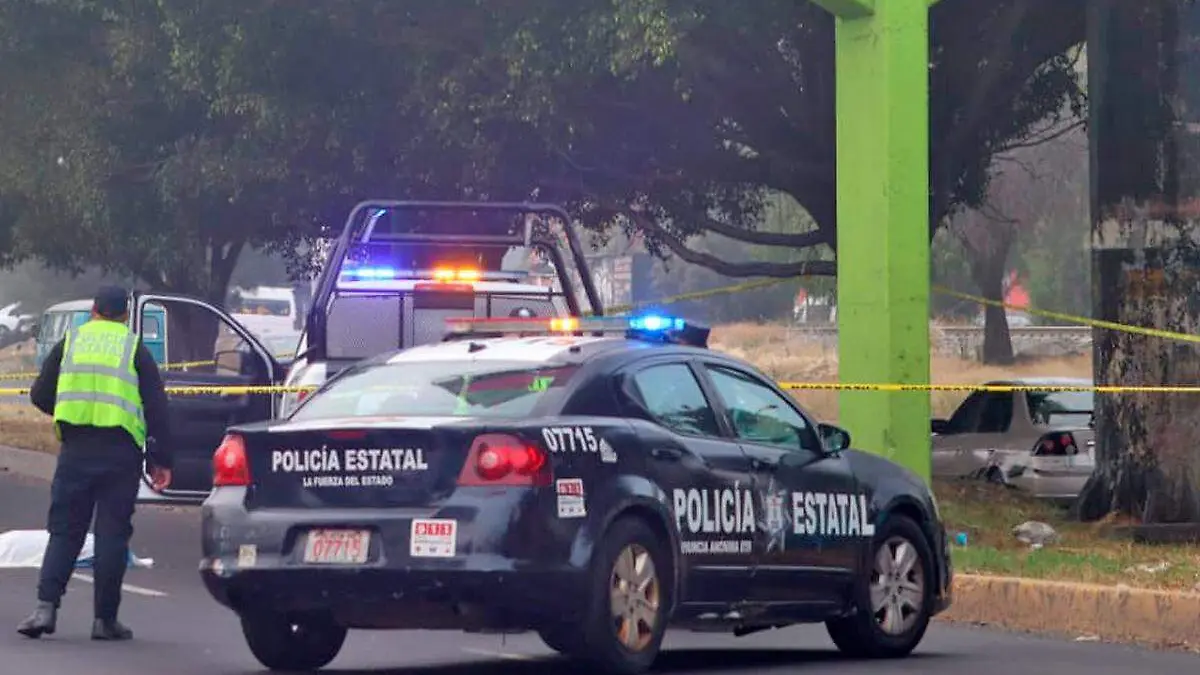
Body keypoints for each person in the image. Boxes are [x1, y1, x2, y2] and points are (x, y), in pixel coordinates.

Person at [17, 286, 173, 641]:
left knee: (65, 531)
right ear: (125, 314)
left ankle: (45, 608)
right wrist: (161, 460)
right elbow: (157, 408)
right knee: (112, 534)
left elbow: (40, 394)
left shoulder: (71, 342)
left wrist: (70, 413)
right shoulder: (134, 347)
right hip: (121, 453)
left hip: (76, 449)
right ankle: (104, 620)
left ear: (94, 310)